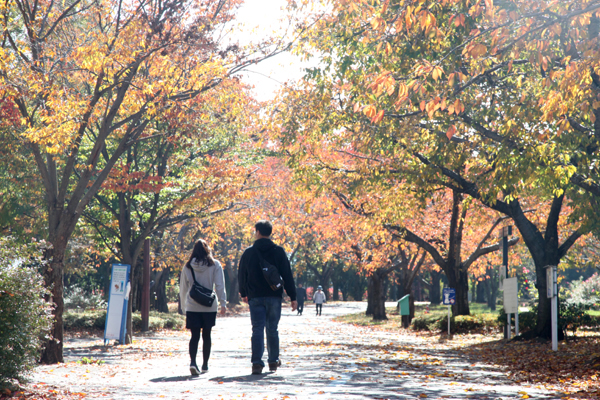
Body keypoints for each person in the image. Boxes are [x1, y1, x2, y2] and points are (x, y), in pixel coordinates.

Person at [238, 220, 297, 375]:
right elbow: (287, 274)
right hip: (274, 296)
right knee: (272, 328)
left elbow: (242, 273)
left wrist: (243, 293)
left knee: (257, 328)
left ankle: (257, 363)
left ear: (258, 232)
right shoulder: (279, 251)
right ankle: (273, 361)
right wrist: (293, 296)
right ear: (270, 232)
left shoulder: (249, 252)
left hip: (255, 296)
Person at [180, 239, 227, 375]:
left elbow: (183, 289)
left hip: (192, 306)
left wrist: (183, 307)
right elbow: (220, 285)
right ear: (208, 250)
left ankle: (193, 363)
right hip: (209, 306)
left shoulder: (188, 266)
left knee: (194, 336)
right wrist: (223, 303)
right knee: (207, 335)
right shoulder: (214, 265)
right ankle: (205, 365)